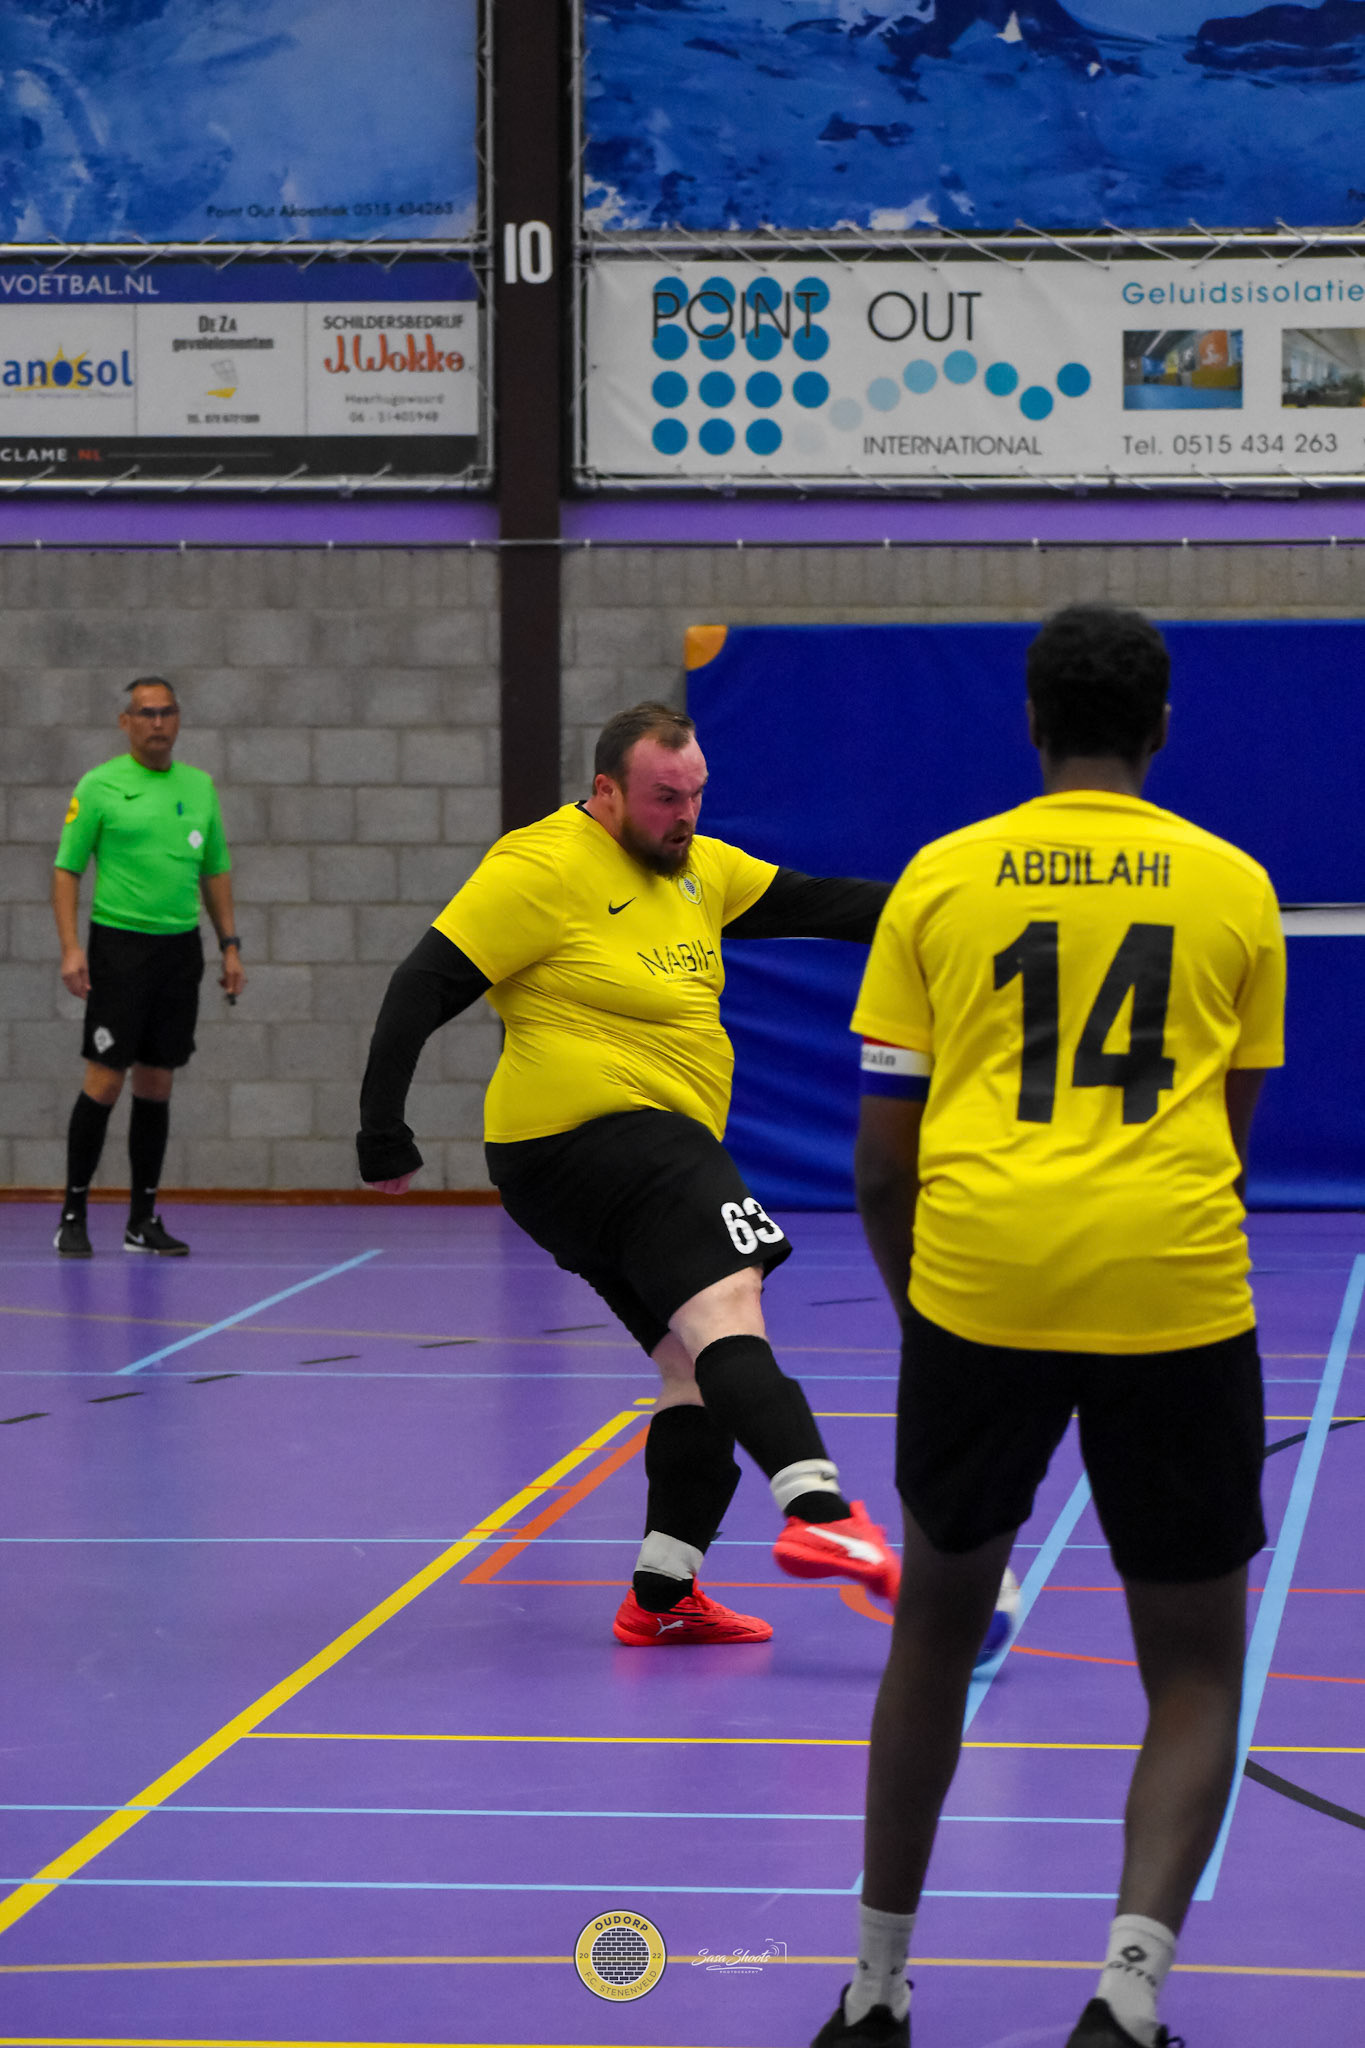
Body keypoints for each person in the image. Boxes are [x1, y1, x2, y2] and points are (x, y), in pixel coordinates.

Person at [813, 605, 1285, 2048]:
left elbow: (881, 1161)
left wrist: (931, 1314)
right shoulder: (1235, 887)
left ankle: (875, 1990)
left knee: (935, 1631)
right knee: (1194, 1664)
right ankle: (1125, 1999)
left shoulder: (941, 881)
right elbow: (1228, 1137)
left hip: (981, 1283)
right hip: (1172, 1287)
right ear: (1160, 728)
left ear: (1030, 725)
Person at [357, 700, 906, 1647]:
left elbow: (826, 904)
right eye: (663, 797)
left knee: (691, 1365)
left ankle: (662, 1594)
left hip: (611, 1159)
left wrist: (949, 911)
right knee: (729, 1303)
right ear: (605, 790)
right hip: (596, 1137)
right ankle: (820, 1513)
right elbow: (424, 982)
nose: (682, 815)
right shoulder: (540, 865)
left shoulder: (700, 870)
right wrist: (382, 1130)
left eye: (695, 795)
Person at [52, 676, 246, 1258]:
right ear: (126, 721)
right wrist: (71, 947)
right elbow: (67, 869)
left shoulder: (199, 787)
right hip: (119, 949)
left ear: (178, 719)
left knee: (157, 1083)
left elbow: (215, 870)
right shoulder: (100, 786)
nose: (157, 722)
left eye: (166, 712)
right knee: (106, 1080)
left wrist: (230, 945)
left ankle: (142, 1220)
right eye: (145, 713)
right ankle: (72, 1214)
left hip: (178, 951)